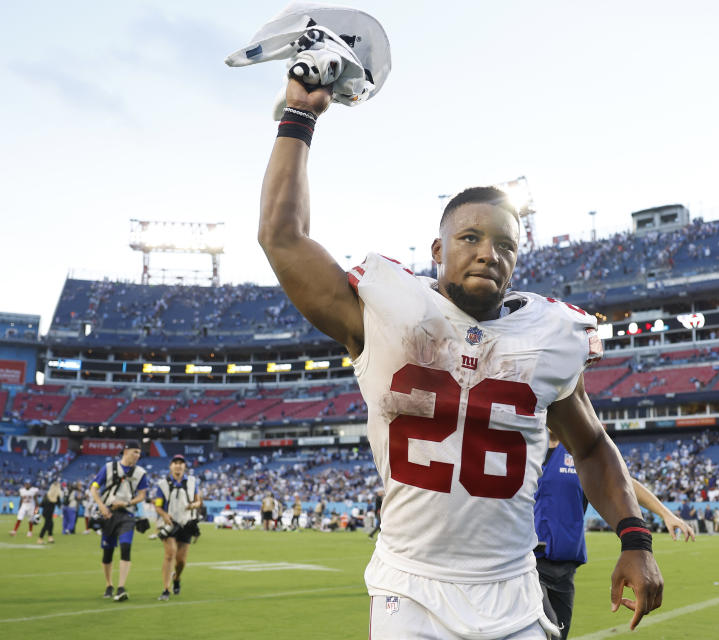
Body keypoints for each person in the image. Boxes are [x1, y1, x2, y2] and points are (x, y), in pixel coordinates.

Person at [257, 76, 664, 638]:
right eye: (470, 237)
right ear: (437, 250)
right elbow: (281, 237)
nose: (488, 253)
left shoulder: (548, 335)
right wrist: (300, 117)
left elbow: (591, 446)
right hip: (410, 586)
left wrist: (635, 538)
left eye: (505, 245)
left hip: (515, 588)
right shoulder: (387, 313)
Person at [534, 431, 690, 639]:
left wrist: (665, 513)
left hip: (565, 569)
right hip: (530, 565)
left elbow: (622, 481)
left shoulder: (579, 453)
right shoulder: (526, 448)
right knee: (546, 633)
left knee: (560, 635)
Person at [90, 440, 149, 602]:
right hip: (108, 513)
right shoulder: (108, 468)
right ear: (125, 451)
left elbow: (142, 495)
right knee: (107, 552)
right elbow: (93, 487)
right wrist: (101, 506)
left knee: (125, 547)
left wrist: (127, 503)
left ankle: (121, 587)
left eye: (139, 453)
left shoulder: (140, 473)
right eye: (134, 452)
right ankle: (109, 585)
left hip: (127, 515)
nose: (137, 455)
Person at [153, 454, 203, 601]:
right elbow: (158, 506)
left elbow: (198, 500)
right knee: (170, 554)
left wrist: (195, 504)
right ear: (171, 466)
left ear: (184, 467)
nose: (178, 465)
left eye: (181, 463)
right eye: (175, 462)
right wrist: (164, 515)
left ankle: (177, 578)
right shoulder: (163, 484)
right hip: (170, 523)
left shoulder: (192, 482)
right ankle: (166, 589)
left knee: (181, 561)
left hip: (186, 523)